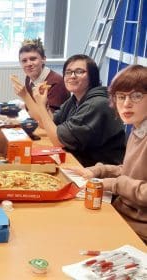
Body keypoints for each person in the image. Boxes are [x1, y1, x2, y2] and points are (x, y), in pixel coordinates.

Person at [71, 65, 147, 243]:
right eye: (121, 97)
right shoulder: (138, 130)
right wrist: (99, 171)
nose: (126, 103)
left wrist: (114, 184)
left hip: (138, 228)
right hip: (122, 212)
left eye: (136, 96)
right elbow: (131, 171)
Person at [11, 54, 126, 167]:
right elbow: (47, 123)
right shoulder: (75, 99)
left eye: (79, 71)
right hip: (79, 160)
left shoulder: (96, 104)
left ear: (92, 76)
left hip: (96, 172)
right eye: (68, 72)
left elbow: (58, 141)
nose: (72, 76)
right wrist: (43, 104)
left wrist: (37, 103)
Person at [19, 38, 69, 112]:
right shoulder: (28, 78)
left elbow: (50, 118)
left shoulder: (56, 83)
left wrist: (25, 96)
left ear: (43, 59)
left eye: (33, 59)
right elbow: (31, 107)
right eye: (24, 61)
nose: (28, 64)